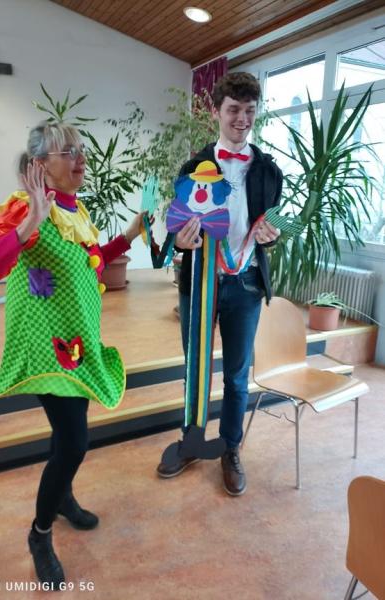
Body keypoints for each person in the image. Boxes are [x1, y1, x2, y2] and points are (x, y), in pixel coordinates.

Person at [0, 121, 146, 589]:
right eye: (68, 151)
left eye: (80, 149)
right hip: (45, 347)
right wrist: (31, 221)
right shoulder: (24, 207)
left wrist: (129, 235)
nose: (80, 158)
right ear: (39, 165)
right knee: (74, 442)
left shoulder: (76, 209)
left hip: (77, 344)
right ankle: (40, 533)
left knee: (66, 436)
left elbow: (92, 262)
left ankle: (63, 497)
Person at [156, 72, 283, 496]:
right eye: (233, 110)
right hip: (199, 282)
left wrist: (272, 235)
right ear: (217, 112)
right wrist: (179, 241)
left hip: (244, 285)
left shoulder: (269, 170)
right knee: (195, 367)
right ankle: (191, 440)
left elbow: (270, 225)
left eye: (249, 111)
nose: (242, 119)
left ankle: (230, 448)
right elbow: (175, 228)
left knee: (236, 376)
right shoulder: (192, 168)